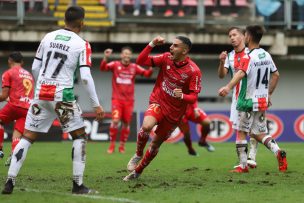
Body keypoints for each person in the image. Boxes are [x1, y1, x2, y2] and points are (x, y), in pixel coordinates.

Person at [2, 6, 104, 195]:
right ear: (82, 22)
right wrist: (96, 104)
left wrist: (42, 84)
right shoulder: (82, 44)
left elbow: (35, 67)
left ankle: (10, 181)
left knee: (27, 138)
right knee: (80, 136)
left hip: (41, 93)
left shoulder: (48, 37)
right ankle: (78, 185)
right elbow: (86, 77)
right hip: (62, 95)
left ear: (64, 20)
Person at [123, 35, 202, 181]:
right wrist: (152, 43)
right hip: (158, 101)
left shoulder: (193, 71)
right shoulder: (165, 57)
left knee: (154, 145)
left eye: (176, 46)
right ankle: (138, 154)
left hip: (174, 114)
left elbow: (194, 97)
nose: (171, 47)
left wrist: (183, 96)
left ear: (184, 51)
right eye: (172, 44)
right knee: (146, 126)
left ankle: (137, 172)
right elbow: (140, 61)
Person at [218, 25, 287, 173]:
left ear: (247, 37)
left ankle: (243, 166)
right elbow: (276, 75)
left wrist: (228, 87)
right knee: (259, 132)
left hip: (246, 99)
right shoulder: (266, 54)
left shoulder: (248, 57)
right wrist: (269, 94)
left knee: (241, 131)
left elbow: (241, 73)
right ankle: (277, 151)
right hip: (261, 100)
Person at [218, 27, 258, 169]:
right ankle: (244, 161)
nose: (232, 38)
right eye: (230, 36)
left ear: (243, 36)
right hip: (237, 98)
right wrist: (222, 62)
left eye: (235, 35)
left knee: (253, 129)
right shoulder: (229, 56)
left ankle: (250, 158)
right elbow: (222, 75)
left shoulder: (251, 54)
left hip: (252, 96)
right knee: (240, 129)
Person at [99, 47, 153, 154]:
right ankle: (112, 145)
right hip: (117, 100)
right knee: (115, 121)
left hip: (129, 101)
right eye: (125, 54)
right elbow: (103, 68)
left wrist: (151, 67)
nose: (127, 56)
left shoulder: (134, 67)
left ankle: (122, 146)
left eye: (129, 54)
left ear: (131, 56)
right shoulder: (115, 64)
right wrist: (105, 57)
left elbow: (147, 74)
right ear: (121, 55)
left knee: (126, 123)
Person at [0, 52, 34, 167]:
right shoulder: (29, 75)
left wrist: (6, 98)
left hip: (14, 106)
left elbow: (4, 96)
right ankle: (14, 157)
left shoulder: (8, 73)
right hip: (27, 109)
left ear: (9, 61)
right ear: (22, 62)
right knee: (17, 136)